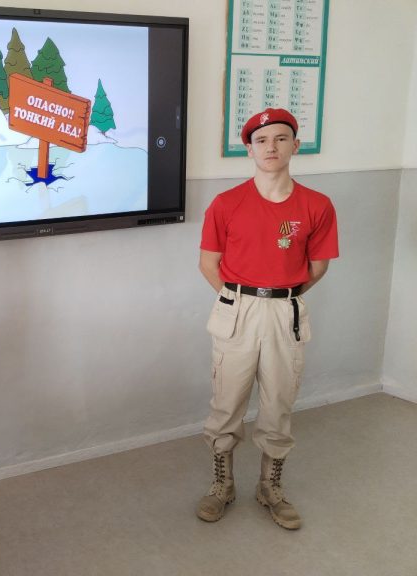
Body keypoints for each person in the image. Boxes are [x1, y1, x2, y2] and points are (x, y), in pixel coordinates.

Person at [195, 108, 338, 530]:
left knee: (279, 403)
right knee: (226, 404)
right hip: (236, 310)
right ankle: (223, 485)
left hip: (283, 312)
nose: (270, 147)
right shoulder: (226, 204)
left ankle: (269, 486)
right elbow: (208, 264)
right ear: (250, 150)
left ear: (296, 145)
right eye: (261, 140)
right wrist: (239, 299)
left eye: (280, 138)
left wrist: (280, 296)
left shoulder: (317, 205)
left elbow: (318, 267)